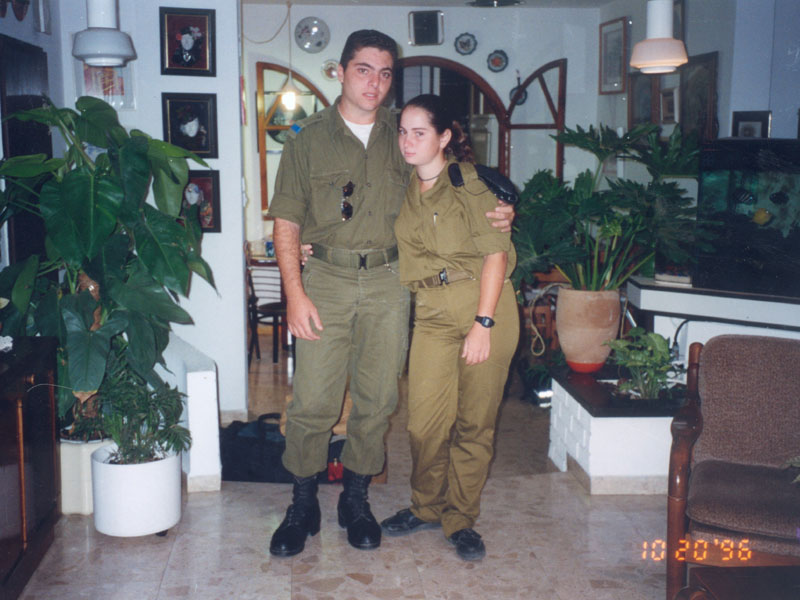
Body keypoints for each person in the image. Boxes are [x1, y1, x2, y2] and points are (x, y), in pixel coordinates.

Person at [267, 30, 514, 558]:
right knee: (313, 400)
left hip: (388, 281)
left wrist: (500, 207)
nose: (374, 83)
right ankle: (302, 503)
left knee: (378, 399)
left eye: (384, 73)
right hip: (326, 279)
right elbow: (286, 221)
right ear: (340, 71)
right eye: (363, 70)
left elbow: (450, 178)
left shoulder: (404, 133)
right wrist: (294, 292)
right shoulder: (307, 140)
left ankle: (355, 500)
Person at [380, 94, 519, 562]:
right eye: (403, 132)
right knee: (423, 423)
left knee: (474, 423)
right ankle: (426, 506)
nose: (407, 141)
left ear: (444, 137)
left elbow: (496, 254)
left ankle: (459, 518)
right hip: (432, 311)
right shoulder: (404, 185)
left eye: (419, 133)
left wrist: (483, 322)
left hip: (484, 303)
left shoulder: (468, 183)